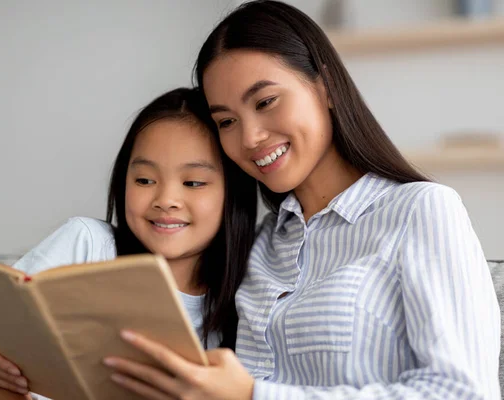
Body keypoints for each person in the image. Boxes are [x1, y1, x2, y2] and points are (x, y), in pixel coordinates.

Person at [103, 1, 501, 399]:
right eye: (227, 121)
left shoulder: (420, 210)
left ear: (325, 87)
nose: (250, 138)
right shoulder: (260, 245)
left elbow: (465, 391)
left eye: (265, 102)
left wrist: (253, 396)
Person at [0, 87, 258, 400]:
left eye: (193, 183)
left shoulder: (238, 309)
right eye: (144, 180)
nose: (166, 200)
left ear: (234, 195)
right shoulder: (89, 244)